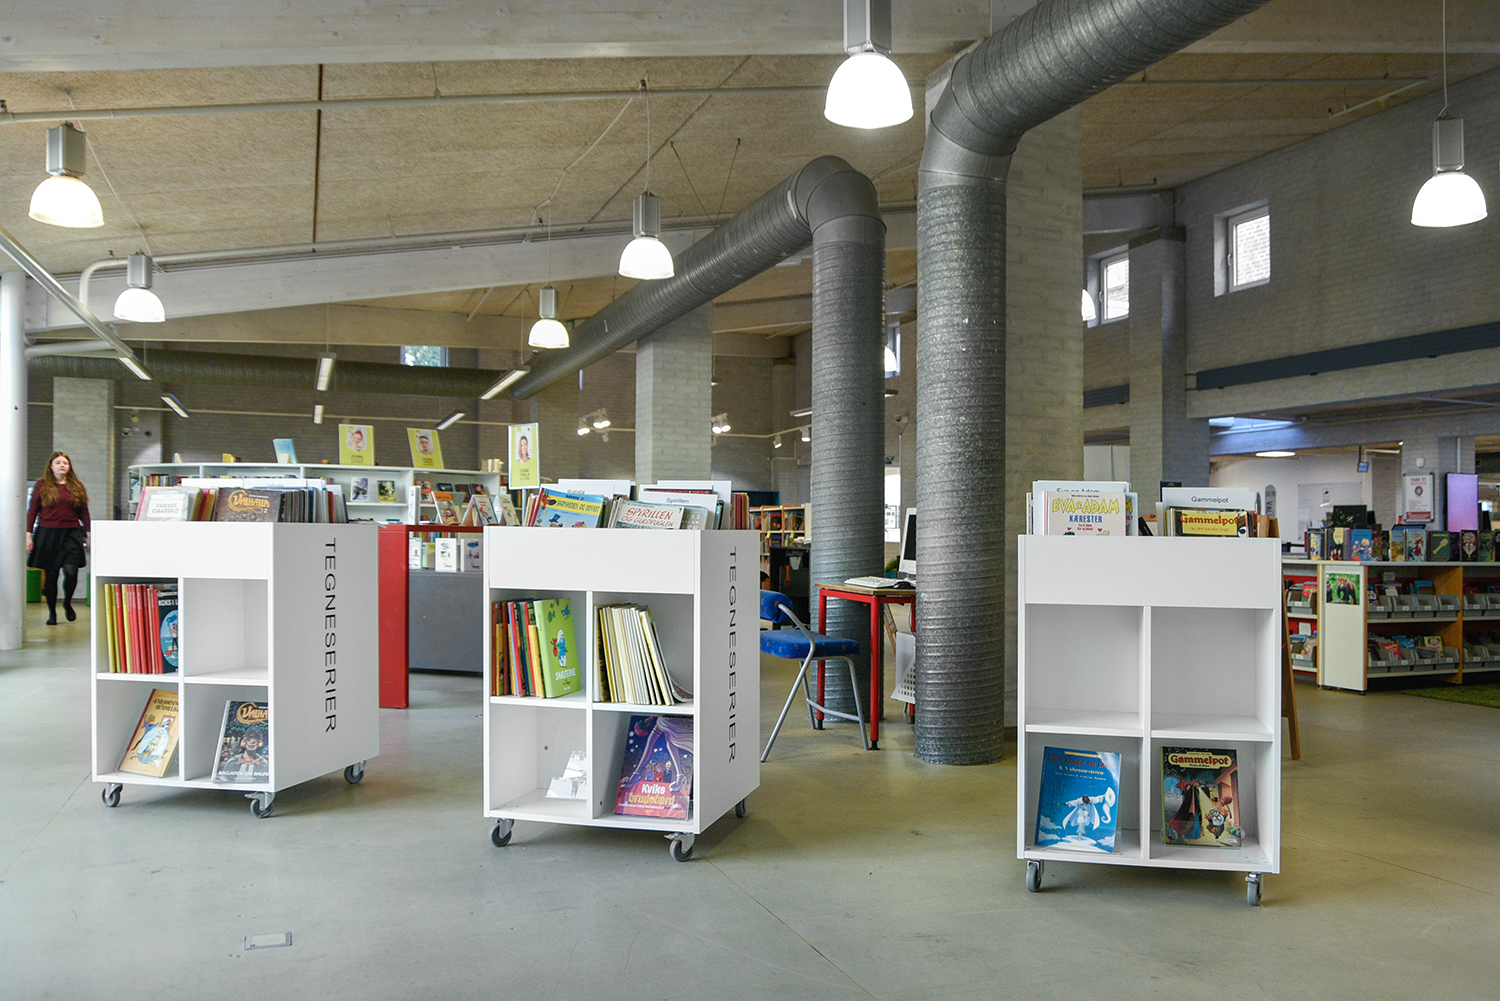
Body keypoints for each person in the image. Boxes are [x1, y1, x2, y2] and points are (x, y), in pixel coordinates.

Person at [26, 451, 92, 625]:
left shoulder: (76, 486)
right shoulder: (42, 485)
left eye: (65, 463)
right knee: (51, 575)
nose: (62, 465)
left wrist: (89, 534)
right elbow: (32, 511)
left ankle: (67, 603)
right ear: (51, 466)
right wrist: (28, 535)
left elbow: (84, 512)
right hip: (48, 533)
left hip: (72, 533)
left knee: (71, 572)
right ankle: (52, 613)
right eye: (58, 462)